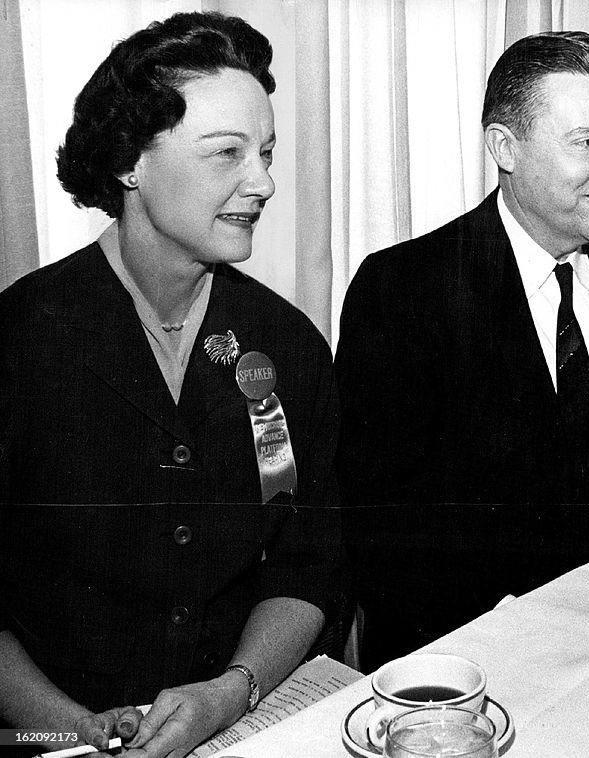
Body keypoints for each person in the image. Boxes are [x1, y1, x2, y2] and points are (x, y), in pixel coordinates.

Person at [336, 31, 589, 671]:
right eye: (587, 142)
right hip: (508, 640)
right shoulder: (408, 291)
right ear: (505, 148)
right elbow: (391, 538)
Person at [0, 12, 346, 757]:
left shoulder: (288, 346)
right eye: (227, 154)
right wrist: (73, 727)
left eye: (267, 152)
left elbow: (308, 561)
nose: (264, 182)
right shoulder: (18, 339)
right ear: (130, 161)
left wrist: (232, 691)